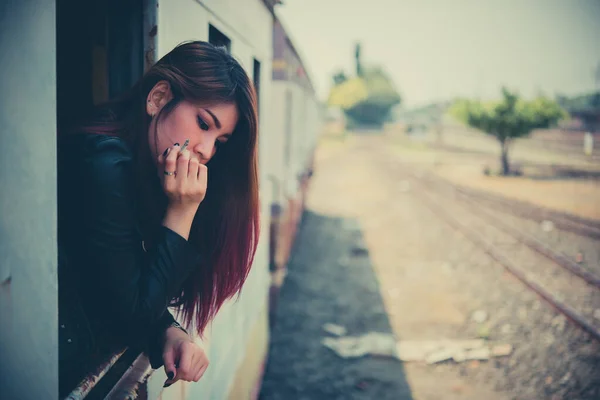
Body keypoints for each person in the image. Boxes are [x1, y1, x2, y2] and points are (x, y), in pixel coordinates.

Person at [57, 41, 259, 396]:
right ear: (159, 98)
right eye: (203, 123)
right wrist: (182, 212)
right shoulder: (102, 164)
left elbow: (118, 281)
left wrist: (169, 330)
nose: (207, 151)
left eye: (221, 142)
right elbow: (128, 319)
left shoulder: (135, 162)